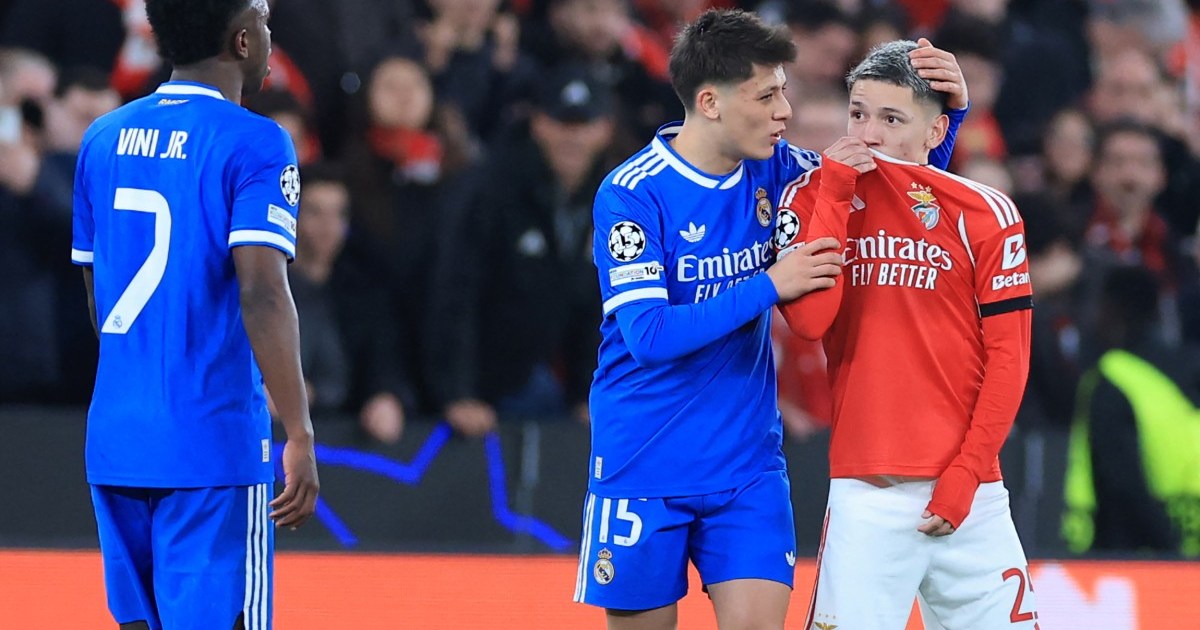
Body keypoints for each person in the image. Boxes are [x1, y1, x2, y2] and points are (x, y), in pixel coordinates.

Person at [573, 10, 967, 629]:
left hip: (747, 466)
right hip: (644, 460)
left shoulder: (778, 169)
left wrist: (948, 117)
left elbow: (896, 194)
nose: (786, 110)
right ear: (710, 102)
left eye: (784, 90)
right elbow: (648, 336)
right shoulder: (633, 192)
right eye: (766, 96)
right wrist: (769, 285)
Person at [70, 1, 319, 628]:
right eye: (263, 20)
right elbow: (263, 293)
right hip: (212, 443)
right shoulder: (256, 142)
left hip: (118, 439)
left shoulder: (102, 137)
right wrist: (298, 430)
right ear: (242, 40)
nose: (270, 33)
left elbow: (97, 293)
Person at [775, 40, 1038, 629]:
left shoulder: (986, 213)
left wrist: (966, 476)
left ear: (935, 130)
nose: (868, 135)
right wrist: (836, 193)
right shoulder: (811, 196)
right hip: (866, 495)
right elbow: (811, 323)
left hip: (973, 495)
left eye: (891, 120)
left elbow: (1010, 359)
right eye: (859, 113)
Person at [1063, 264, 1200, 558]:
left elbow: (1122, 482)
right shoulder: (1190, 366)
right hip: (1190, 530)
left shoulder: (1112, 376)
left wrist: (1168, 548)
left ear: (1112, 309)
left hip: (1131, 552)